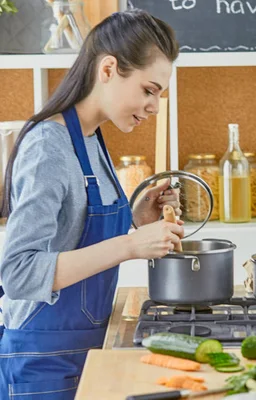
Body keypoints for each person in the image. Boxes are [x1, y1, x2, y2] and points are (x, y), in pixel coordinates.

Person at [0, 9, 184, 399]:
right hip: (44, 359)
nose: (154, 106)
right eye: (149, 90)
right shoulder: (48, 145)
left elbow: (74, 233)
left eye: (159, 95)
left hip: (85, 349)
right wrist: (131, 245)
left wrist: (137, 218)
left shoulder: (90, 138)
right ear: (108, 69)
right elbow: (17, 273)